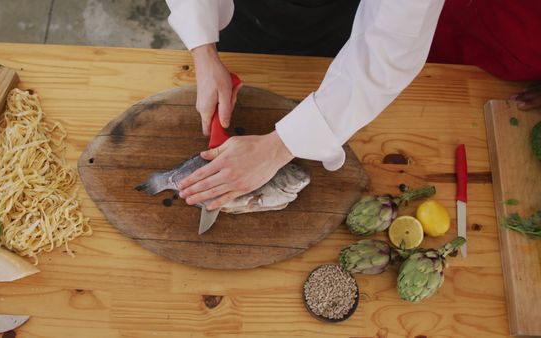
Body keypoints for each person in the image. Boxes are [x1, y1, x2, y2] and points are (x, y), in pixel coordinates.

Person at [165, 0, 445, 209]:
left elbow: (391, 47)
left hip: (336, 37)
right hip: (244, 18)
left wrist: (277, 148)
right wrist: (204, 51)